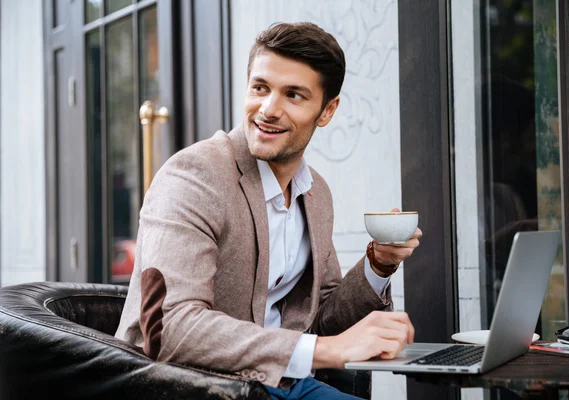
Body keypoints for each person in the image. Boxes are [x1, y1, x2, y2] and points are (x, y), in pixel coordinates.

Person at [115, 21, 422, 399]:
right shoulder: (194, 177)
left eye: (294, 95)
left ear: (327, 111)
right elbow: (170, 326)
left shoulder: (316, 194)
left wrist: (378, 266)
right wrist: (325, 352)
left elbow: (322, 320)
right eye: (260, 88)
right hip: (194, 386)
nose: (268, 110)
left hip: (280, 383)